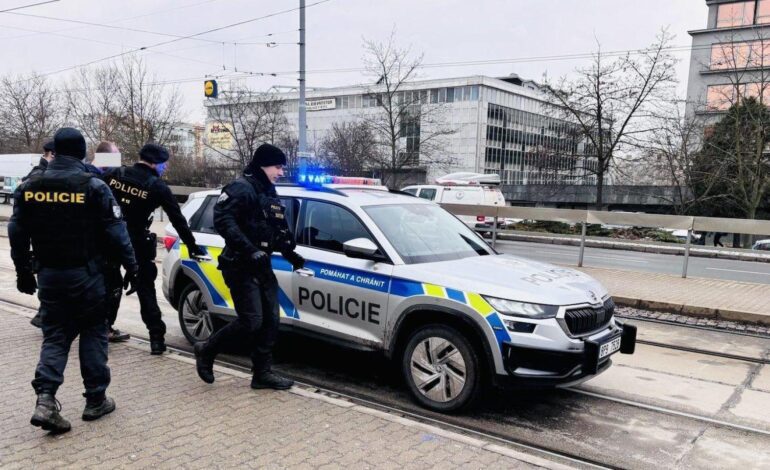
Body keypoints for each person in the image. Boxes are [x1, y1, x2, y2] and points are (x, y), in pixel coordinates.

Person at [8, 127, 138, 434]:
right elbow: (117, 233)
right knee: (93, 331)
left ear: (54, 151)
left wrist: (23, 271)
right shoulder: (93, 186)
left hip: (50, 276)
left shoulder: (29, 186)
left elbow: (16, 231)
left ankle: (45, 400)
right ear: (81, 152)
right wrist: (133, 267)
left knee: (56, 335)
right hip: (87, 275)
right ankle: (96, 399)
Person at [193, 143, 304, 390]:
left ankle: (262, 374)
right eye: (277, 166)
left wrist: (290, 253)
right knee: (251, 321)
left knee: (271, 321)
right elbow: (223, 220)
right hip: (240, 264)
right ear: (263, 165)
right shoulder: (240, 188)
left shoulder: (269, 190)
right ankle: (206, 350)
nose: (280, 171)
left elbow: (276, 227)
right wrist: (249, 249)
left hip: (261, 265)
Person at [102, 143, 205, 354]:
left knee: (110, 285)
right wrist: (193, 246)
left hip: (109, 240)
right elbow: (178, 220)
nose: (165, 168)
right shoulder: (158, 187)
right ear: (155, 163)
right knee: (145, 290)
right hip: (137, 243)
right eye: (164, 164)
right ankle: (156, 340)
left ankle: (103, 328)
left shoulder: (115, 174)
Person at [92, 141, 130, 342]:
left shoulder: (94, 176)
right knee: (112, 285)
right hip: (103, 248)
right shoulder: (99, 181)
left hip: (88, 249)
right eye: (116, 157)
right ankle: (104, 328)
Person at [26, 140, 57, 329]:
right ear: (52, 154)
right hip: (45, 237)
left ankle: (46, 316)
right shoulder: (39, 175)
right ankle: (45, 318)